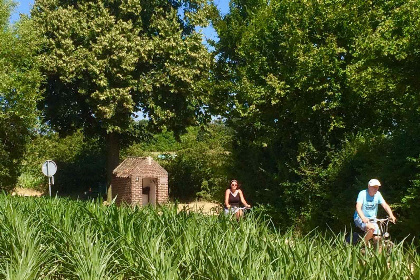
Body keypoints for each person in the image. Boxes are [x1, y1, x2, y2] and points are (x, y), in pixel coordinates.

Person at [354, 179, 396, 245]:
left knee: (378, 239)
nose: (375, 189)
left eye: (377, 187)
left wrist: (391, 215)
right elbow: (358, 207)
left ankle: (378, 255)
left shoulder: (378, 194)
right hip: (360, 218)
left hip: (373, 219)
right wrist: (363, 218)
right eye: (373, 187)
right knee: (371, 228)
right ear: (369, 186)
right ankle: (362, 244)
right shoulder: (362, 193)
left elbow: (385, 205)